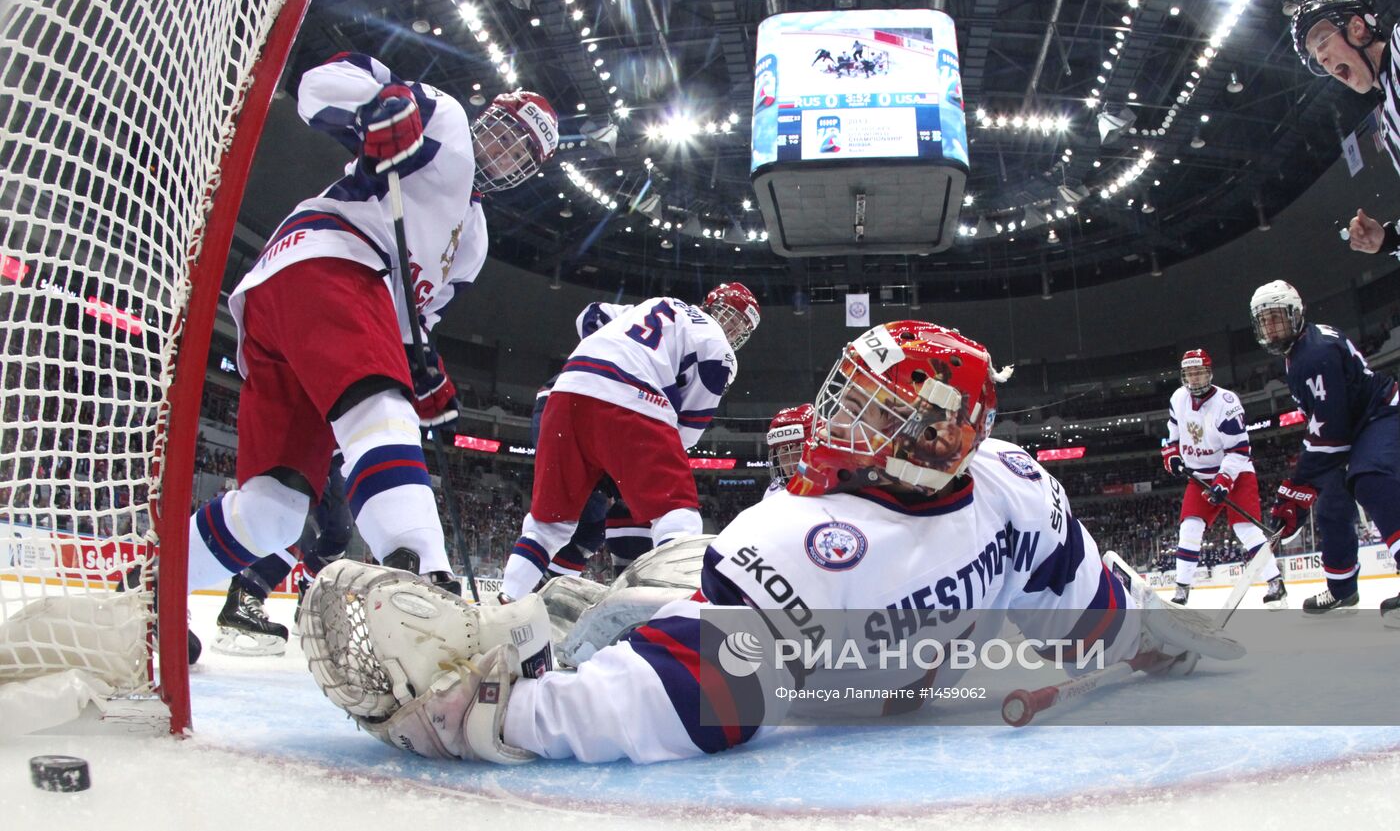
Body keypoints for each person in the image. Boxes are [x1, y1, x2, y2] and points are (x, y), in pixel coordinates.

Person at [302, 321, 1242, 764]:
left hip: (819, 675)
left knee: (681, 581)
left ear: (938, 437)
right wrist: (1161, 642)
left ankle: (561, 630)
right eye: (848, 395)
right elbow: (1094, 611)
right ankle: (579, 621)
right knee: (686, 580)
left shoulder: (826, 537)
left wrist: (497, 722)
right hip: (834, 669)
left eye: (874, 413)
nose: (838, 422)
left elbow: (699, 699)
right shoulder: (1003, 480)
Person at [185, 53, 557, 596]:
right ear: (486, 119)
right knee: (381, 409)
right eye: (504, 132)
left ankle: (147, 595)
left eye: (520, 151)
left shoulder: (472, 241)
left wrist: (423, 361)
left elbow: (414, 319)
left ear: (524, 172)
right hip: (327, 261)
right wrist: (375, 106)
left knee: (274, 511)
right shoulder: (447, 121)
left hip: (301, 309)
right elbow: (322, 82)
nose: (504, 150)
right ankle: (425, 581)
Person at [500, 284, 761, 600]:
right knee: (678, 512)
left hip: (567, 390)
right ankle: (679, 609)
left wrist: (611, 353)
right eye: (732, 318)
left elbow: (591, 315)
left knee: (548, 526)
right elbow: (686, 433)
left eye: (740, 325)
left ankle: (506, 602)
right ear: (712, 307)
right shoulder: (719, 349)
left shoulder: (661, 302)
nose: (732, 328)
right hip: (630, 399)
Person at [1250, 280, 1400, 624]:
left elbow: (1330, 433)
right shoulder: (1298, 352)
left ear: (1296, 314)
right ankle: (1342, 587)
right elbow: (1325, 425)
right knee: (1332, 501)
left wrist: (1296, 489)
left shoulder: (1313, 354)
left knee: (1369, 479)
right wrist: (1301, 491)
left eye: (1278, 319)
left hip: (1378, 414)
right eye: (1265, 322)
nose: (1272, 329)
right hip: (1352, 424)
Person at [1160, 349, 1286, 607]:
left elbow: (1239, 451)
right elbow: (1171, 436)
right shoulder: (1178, 397)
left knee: (1246, 529)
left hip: (1235, 472)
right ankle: (1181, 591)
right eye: (1189, 373)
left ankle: (1275, 583)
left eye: (1198, 372)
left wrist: (1224, 481)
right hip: (1198, 476)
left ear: (1209, 373)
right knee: (1189, 529)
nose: (1193, 378)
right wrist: (1171, 455)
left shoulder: (1227, 402)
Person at [1290, 0, 1400, 258]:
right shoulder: (1388, 122)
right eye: (1315, 58)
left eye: (1322, 42)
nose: (1322, 60)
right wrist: (1389, 240)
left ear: (1358, 28)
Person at [213, 454, 353, 655]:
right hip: (315, 439)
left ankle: (309, 605)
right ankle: (245, 595)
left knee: (339, 532)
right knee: (305, 513)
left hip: (343, 448)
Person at [763, 403, 814, 498]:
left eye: (802, 450)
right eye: (785, 450)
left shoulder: (839, 491)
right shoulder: (773, 494)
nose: (793, 461)